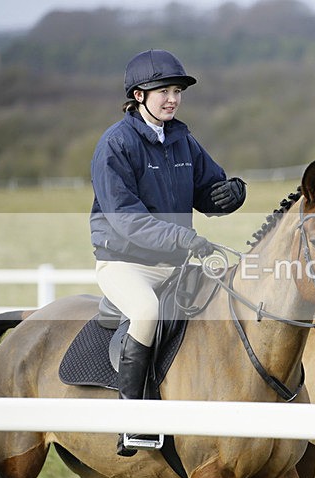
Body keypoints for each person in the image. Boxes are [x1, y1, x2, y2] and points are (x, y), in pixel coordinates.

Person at [89, 49, 246, 456]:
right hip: (125, 264)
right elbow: (126, 219)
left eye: (177, 91)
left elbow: (209, 192)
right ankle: (132, 421)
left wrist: (230, 195)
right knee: (145, 311)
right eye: (164, 91)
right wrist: (182, 240)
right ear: (139, 95)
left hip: (175, 265)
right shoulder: (114, 145)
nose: (172, 98)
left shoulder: (182, 139)